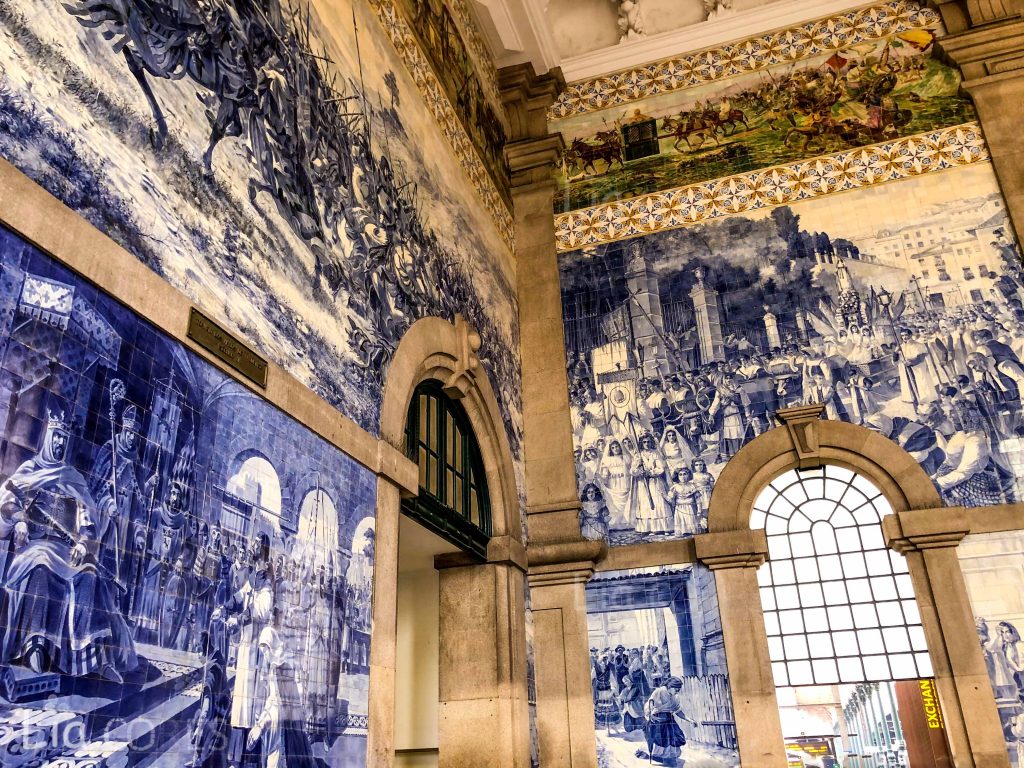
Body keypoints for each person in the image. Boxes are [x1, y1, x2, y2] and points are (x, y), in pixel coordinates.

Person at [0, 410, 137, 680]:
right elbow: (7, 501)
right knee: (41, 570)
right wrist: (20, 522)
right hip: (35, 547)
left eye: (64, 439)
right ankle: (35, 646)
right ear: (49, 436)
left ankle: (94, 658)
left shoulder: (72, 478)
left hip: (67, 552)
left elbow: (87, 523)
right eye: (57, 437)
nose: (61, 444)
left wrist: (85, 545)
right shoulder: (29, 471)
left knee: (90, 578)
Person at [222, 532, 275, 768]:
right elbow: (240, 595)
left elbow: (262, 609)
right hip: (246, 646)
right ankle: (235, 759)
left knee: (251, 705)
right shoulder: (253, 576)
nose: (250, 546)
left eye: (254, 544)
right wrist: (225, 608)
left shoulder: (266, 578)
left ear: (261, 548)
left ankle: (250, 761)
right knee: (240, 703)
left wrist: (239, 618)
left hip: (256, 651)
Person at [628, 433, 672, 535]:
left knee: (658, 502)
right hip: (642, 483)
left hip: (655, 481)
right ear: (641, 443)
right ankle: (646, 528)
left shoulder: (655, 453)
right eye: (644, 442)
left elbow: (661, 468)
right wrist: (639, 470)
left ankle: (661, 527)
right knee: (645, 504)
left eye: (648, 441)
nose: (646, 444)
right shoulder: (638, 455)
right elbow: (632, 470)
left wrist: (651, 472)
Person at [645, 677, 694, 764]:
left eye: (679, 689)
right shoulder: (659, 691)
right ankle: (657, 756)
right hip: (658, 718)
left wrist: (689, 719)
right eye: (676, 689)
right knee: (661, 738)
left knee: (674, 736)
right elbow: (650, 702)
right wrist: (650, 713)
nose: (677, 691)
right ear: (670, 686)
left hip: (669, 719)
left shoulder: (675, 697)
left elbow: (678, 711)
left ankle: (669, 757)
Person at [599, 440, 633, 531]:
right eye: (613, 447)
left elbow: (631, 469)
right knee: (614, 503)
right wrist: (604, 479)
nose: (615, 449)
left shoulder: (626, 457)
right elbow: (605, 472)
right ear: (610, 449)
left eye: (617, 446)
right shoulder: (607, 460)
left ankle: (627, 522)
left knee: (626, 501)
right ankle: (615, 523)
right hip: (613, 483)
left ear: (620, 447)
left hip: (624, 481)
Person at [665, 468, 702, 536]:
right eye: (680, 475)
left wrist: (699, 510)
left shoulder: (692, 485)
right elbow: (670, 498)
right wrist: (664, 496)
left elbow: (698, 499)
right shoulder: (675, 487)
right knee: (681, 521)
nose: (683, 476)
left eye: (685, 474)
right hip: (680, 508)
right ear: (677, 476)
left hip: (691, 508)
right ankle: (682, 532)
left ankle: (691, 532)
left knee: (691, 522)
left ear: (688, 475)